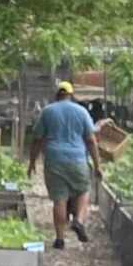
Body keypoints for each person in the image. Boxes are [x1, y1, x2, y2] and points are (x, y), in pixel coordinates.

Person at [27, 81, 101, 248]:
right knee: (83, 190)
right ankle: (79, 221)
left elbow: (37, 139)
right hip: (77, 160)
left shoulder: (47, 112)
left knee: (59, 199)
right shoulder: (81, 112)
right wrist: (97, 165)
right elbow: (90, 140)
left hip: (54, 160)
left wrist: (32, 162)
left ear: (57, 94)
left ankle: (60, 239)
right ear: (71, 95)